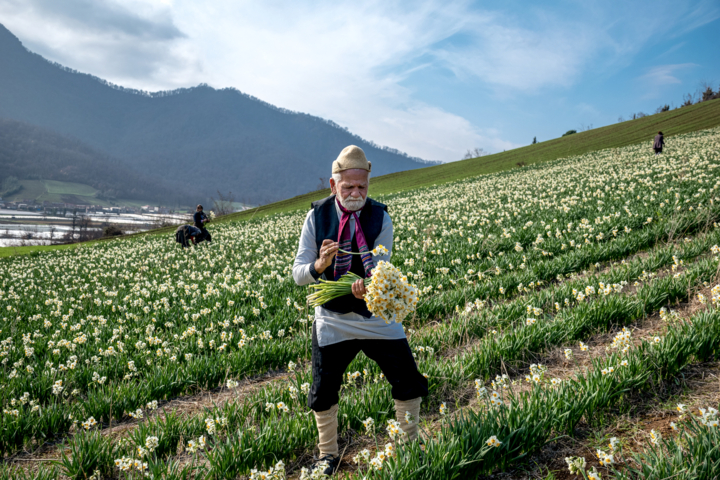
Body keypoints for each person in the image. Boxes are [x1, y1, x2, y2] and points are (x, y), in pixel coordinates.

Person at [292, 145, 428, 476]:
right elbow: (298, 274)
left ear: (369, 184)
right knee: (323, 388)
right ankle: (328, 456)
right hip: (333, 319)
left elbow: (381, 267)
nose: (356, 194)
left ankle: (410, 447)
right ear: (332, 184)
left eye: (362, 187)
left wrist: (369, 283)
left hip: (374, 315)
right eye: (348, 187)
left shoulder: (381, 217)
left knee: (407, 378)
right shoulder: (316, 216)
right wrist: (320, 265)